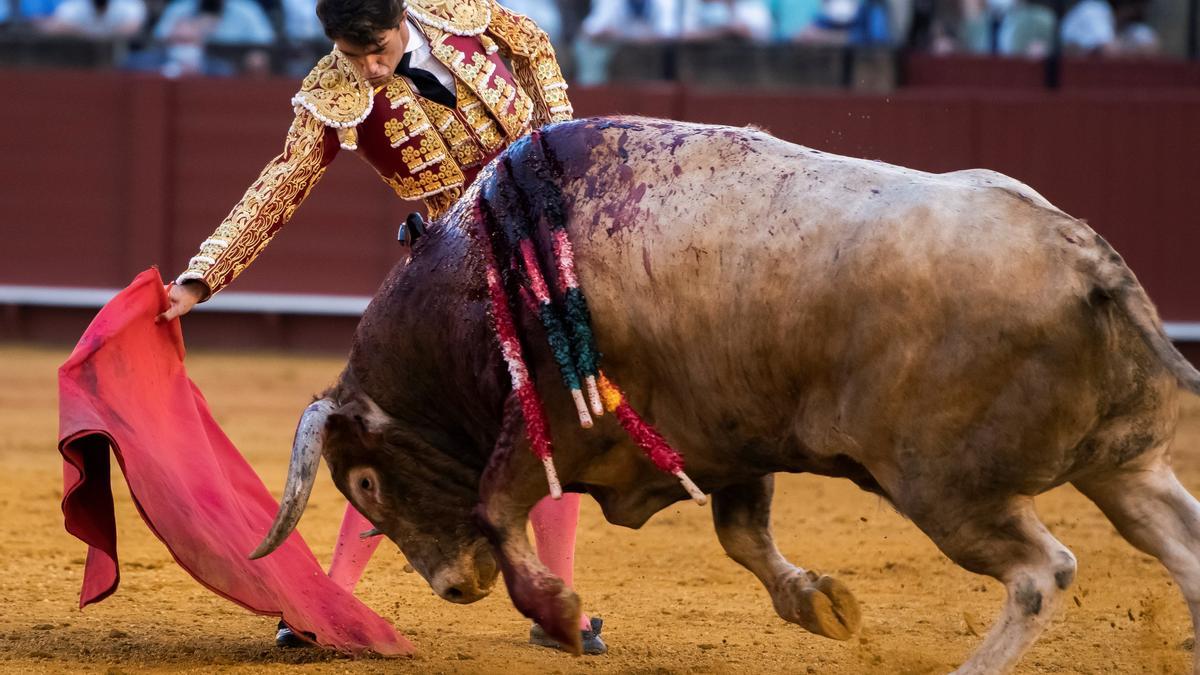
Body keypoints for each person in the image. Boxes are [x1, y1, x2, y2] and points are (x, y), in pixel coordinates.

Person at [155, 0, 605, 655]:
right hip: (452, 267)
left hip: (543, 245)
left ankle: (557, 600)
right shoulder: (329, 94)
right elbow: (279, 186)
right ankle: (333, 597)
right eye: (350, 53)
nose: (367, 68)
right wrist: (201, 278)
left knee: (555, 416)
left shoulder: (456, 12)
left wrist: (555, 136)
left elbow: (533, 45)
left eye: (379, 52)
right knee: (397, 434)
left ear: (402, 20)